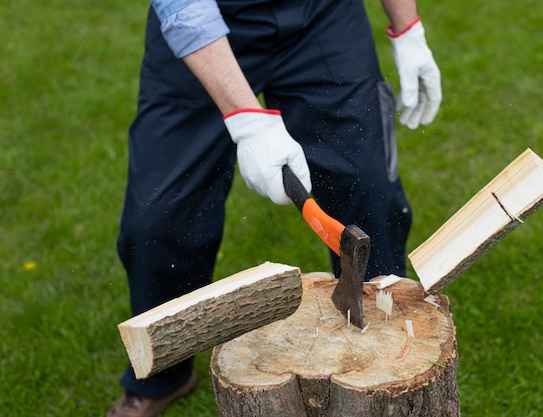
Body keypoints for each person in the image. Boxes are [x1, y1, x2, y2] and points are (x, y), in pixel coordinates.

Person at [107, 0, 441, 415]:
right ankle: (162, 376)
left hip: (323, 15)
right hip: (204, 24)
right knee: (157, 221)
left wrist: (407, 29)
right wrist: (245, 118)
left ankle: (382, 350)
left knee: (370, 191)